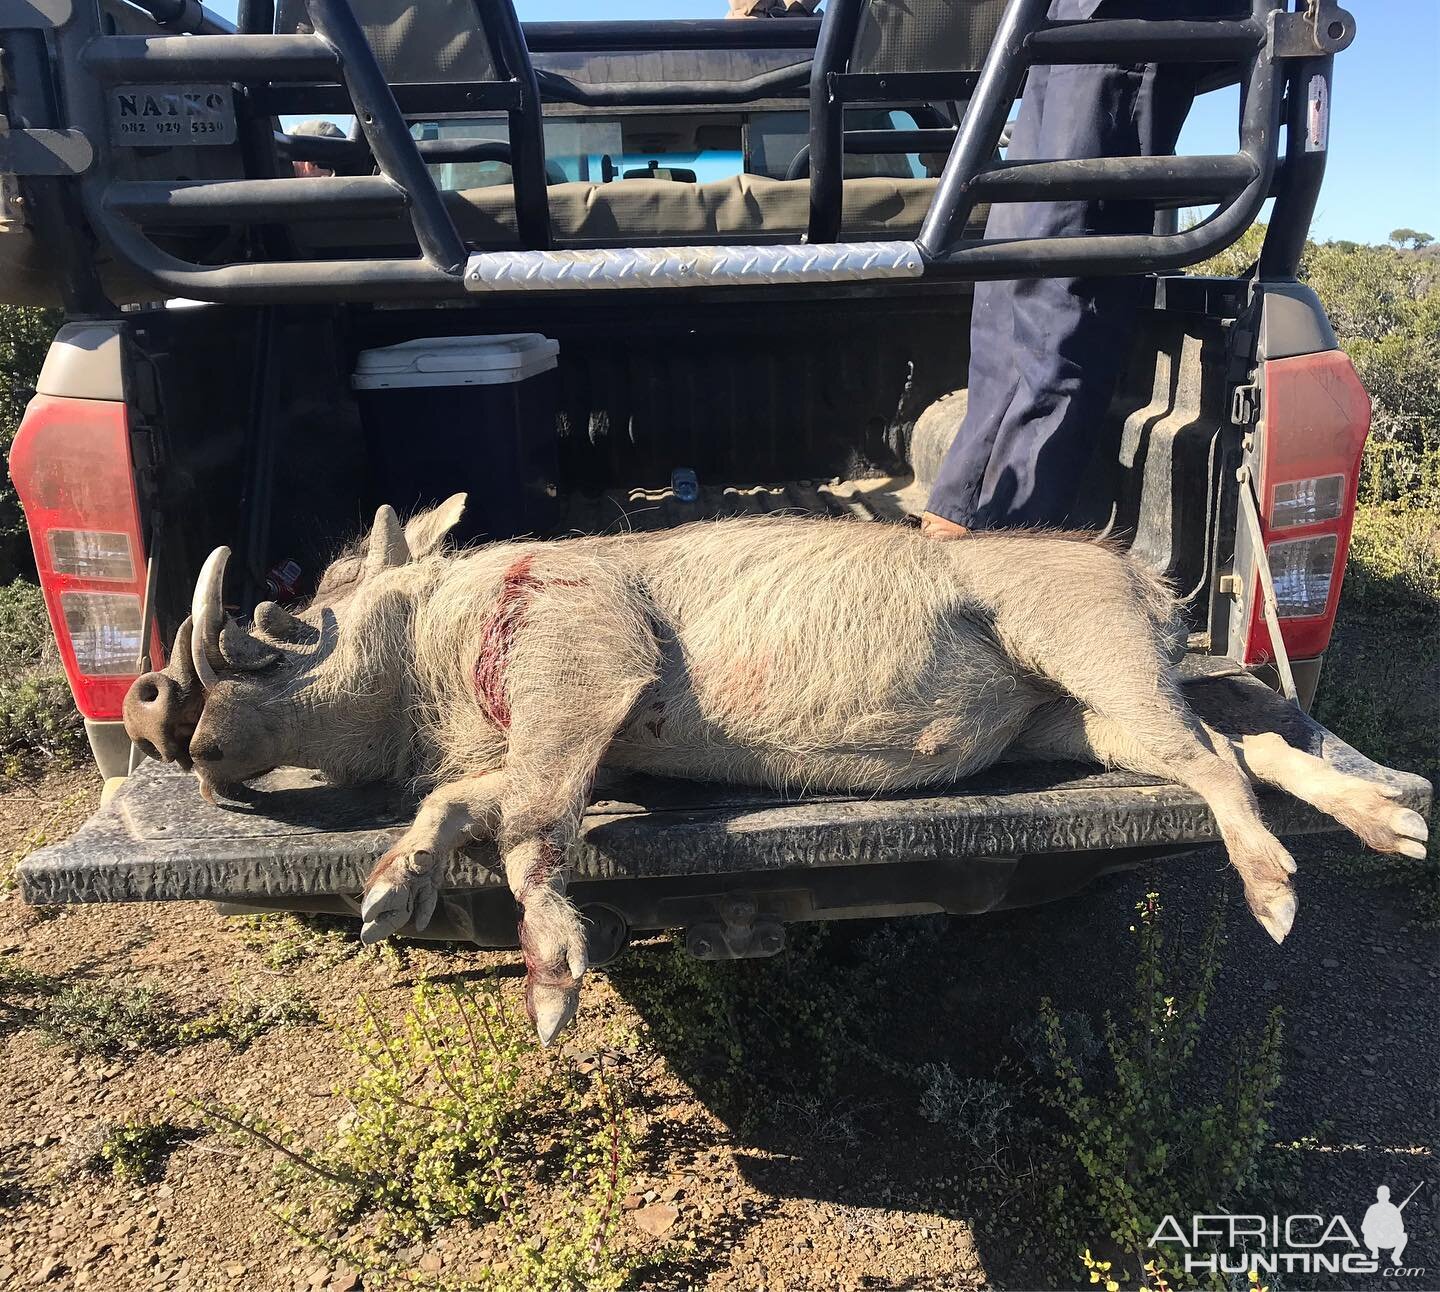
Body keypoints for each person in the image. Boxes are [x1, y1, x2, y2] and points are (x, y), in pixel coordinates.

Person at [921, 0, 1241, 539]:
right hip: (1058, 12)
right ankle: (963, 502)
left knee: (1068, 264)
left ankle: (1011, 530)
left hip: (1126, 16)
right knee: (1012, 255)